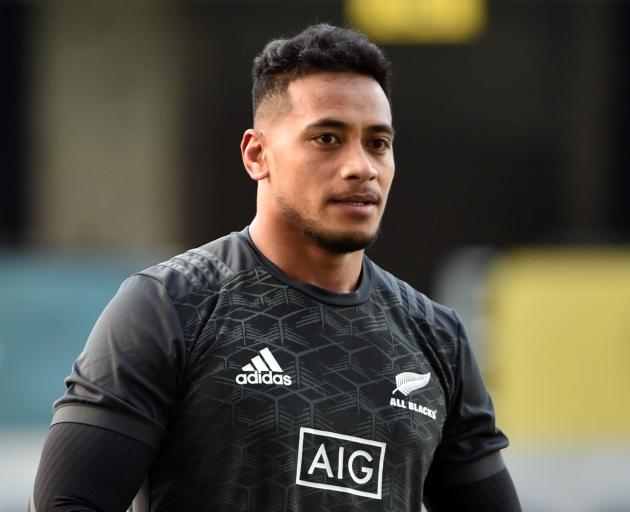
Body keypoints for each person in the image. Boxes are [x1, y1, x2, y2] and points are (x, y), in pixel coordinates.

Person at [31, 24, 521, 512]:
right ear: (256, 154)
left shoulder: (436, 338)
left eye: (377, 143)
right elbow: (67, 503)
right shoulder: (171, 305)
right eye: (327, 138)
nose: (362, 167)